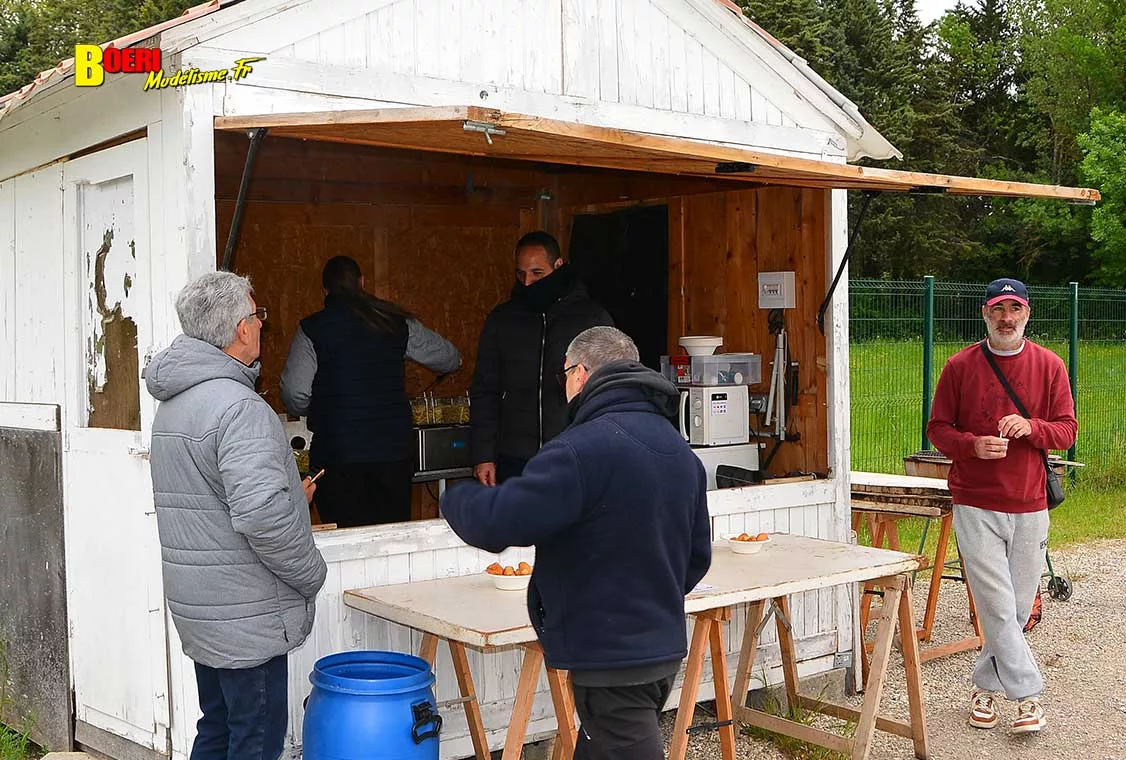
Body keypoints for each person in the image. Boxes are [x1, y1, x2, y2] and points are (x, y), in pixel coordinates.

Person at [443, 326, 712, 759]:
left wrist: (455, 496)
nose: (564, 386)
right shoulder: (679, 451)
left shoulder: (579, 450)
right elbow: (697, 557)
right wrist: (647, 596)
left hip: (611, 658)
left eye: (564, 374)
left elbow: (499, 523)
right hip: (659, 649)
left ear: (581, 373)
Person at [145, 271, 328, 760]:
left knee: (218, 728)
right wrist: (311, 573)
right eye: (257, 315)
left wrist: (291, 498)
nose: (262, 324)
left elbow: (213, 499)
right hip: (246, 617)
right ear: (241, 329)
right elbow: (262, 517)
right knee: (255, 739)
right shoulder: (238, 408)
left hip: (205, 609)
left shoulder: (176, 402)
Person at [927, 277, 1077, 735]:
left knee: (1015, 607)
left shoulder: (1050, 366)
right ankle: (1029, 697)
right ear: (985, 314)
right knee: (995, 602)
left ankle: (984, 688)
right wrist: (971, 445)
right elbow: (937, 429)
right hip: (975, 500)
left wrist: (1032, 428)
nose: (1006, 318)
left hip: (1030, 502)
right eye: (998, 310)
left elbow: (1067, 430)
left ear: (1027, 314)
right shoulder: (959, 366)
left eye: (1014, 310)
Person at [280, 255, 461, 528]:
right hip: (393, 457)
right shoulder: (395, 322)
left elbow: (295, 394)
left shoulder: (311, 329)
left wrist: (322, 407)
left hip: (337, 458)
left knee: (345, 539)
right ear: (362, 282)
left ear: (325, 290)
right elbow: (450, 358)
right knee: (390, 538)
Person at [470, 230, 612, 486]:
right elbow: (485, 389)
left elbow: (611, 387)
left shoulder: (591, 317)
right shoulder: (502, 319)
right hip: (514, 455)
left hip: (574, 451)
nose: (527, 282)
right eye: (520, 274)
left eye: (537, 273)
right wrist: (483, 455)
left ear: (558, 265)